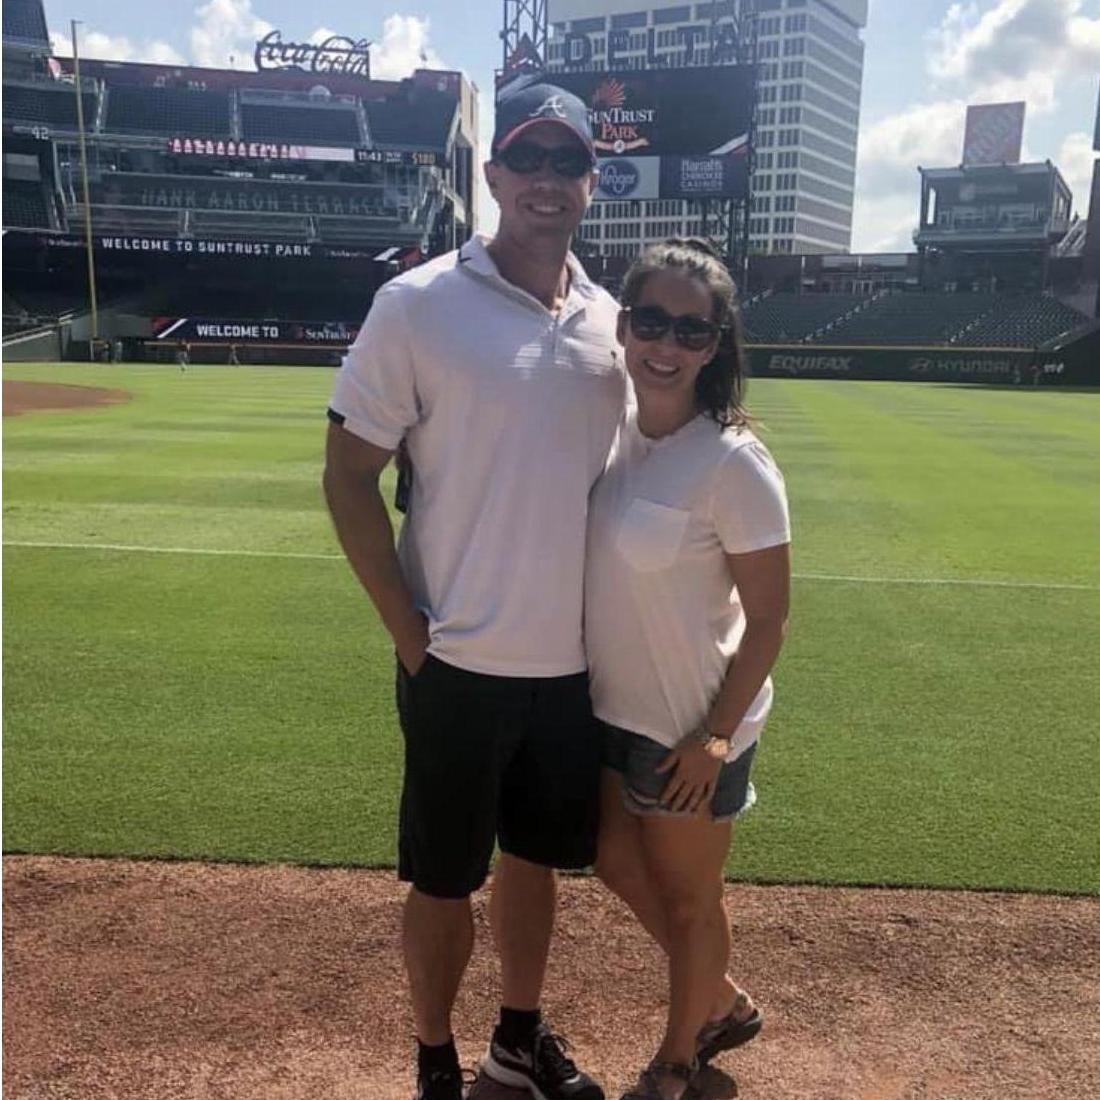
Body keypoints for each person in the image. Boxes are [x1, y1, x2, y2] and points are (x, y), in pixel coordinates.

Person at [322, 81, 625, 1100]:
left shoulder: (610, 323)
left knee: (536, 862)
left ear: (591, 180)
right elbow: (346, 473)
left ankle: (515, 1039)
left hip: (573, 665)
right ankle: (432, 1056)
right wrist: (410, 636)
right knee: (443, 875)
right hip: (454, 657)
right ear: (492, 175)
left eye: (567, 162)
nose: (547, 179)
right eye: (527, 160)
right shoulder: (416, 304)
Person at [585, 239, 791, 1100]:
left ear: (717, 345)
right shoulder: (615, 434)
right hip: (611, 710)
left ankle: (679, 1056)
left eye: (691, 330)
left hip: (692, 724)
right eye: (650, 321)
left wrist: (713, 738)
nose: (665, 345)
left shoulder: (733, 462)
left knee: (688, 901)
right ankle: (723, 997)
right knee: (605, 856)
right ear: (624, 325)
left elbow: (771, 618)